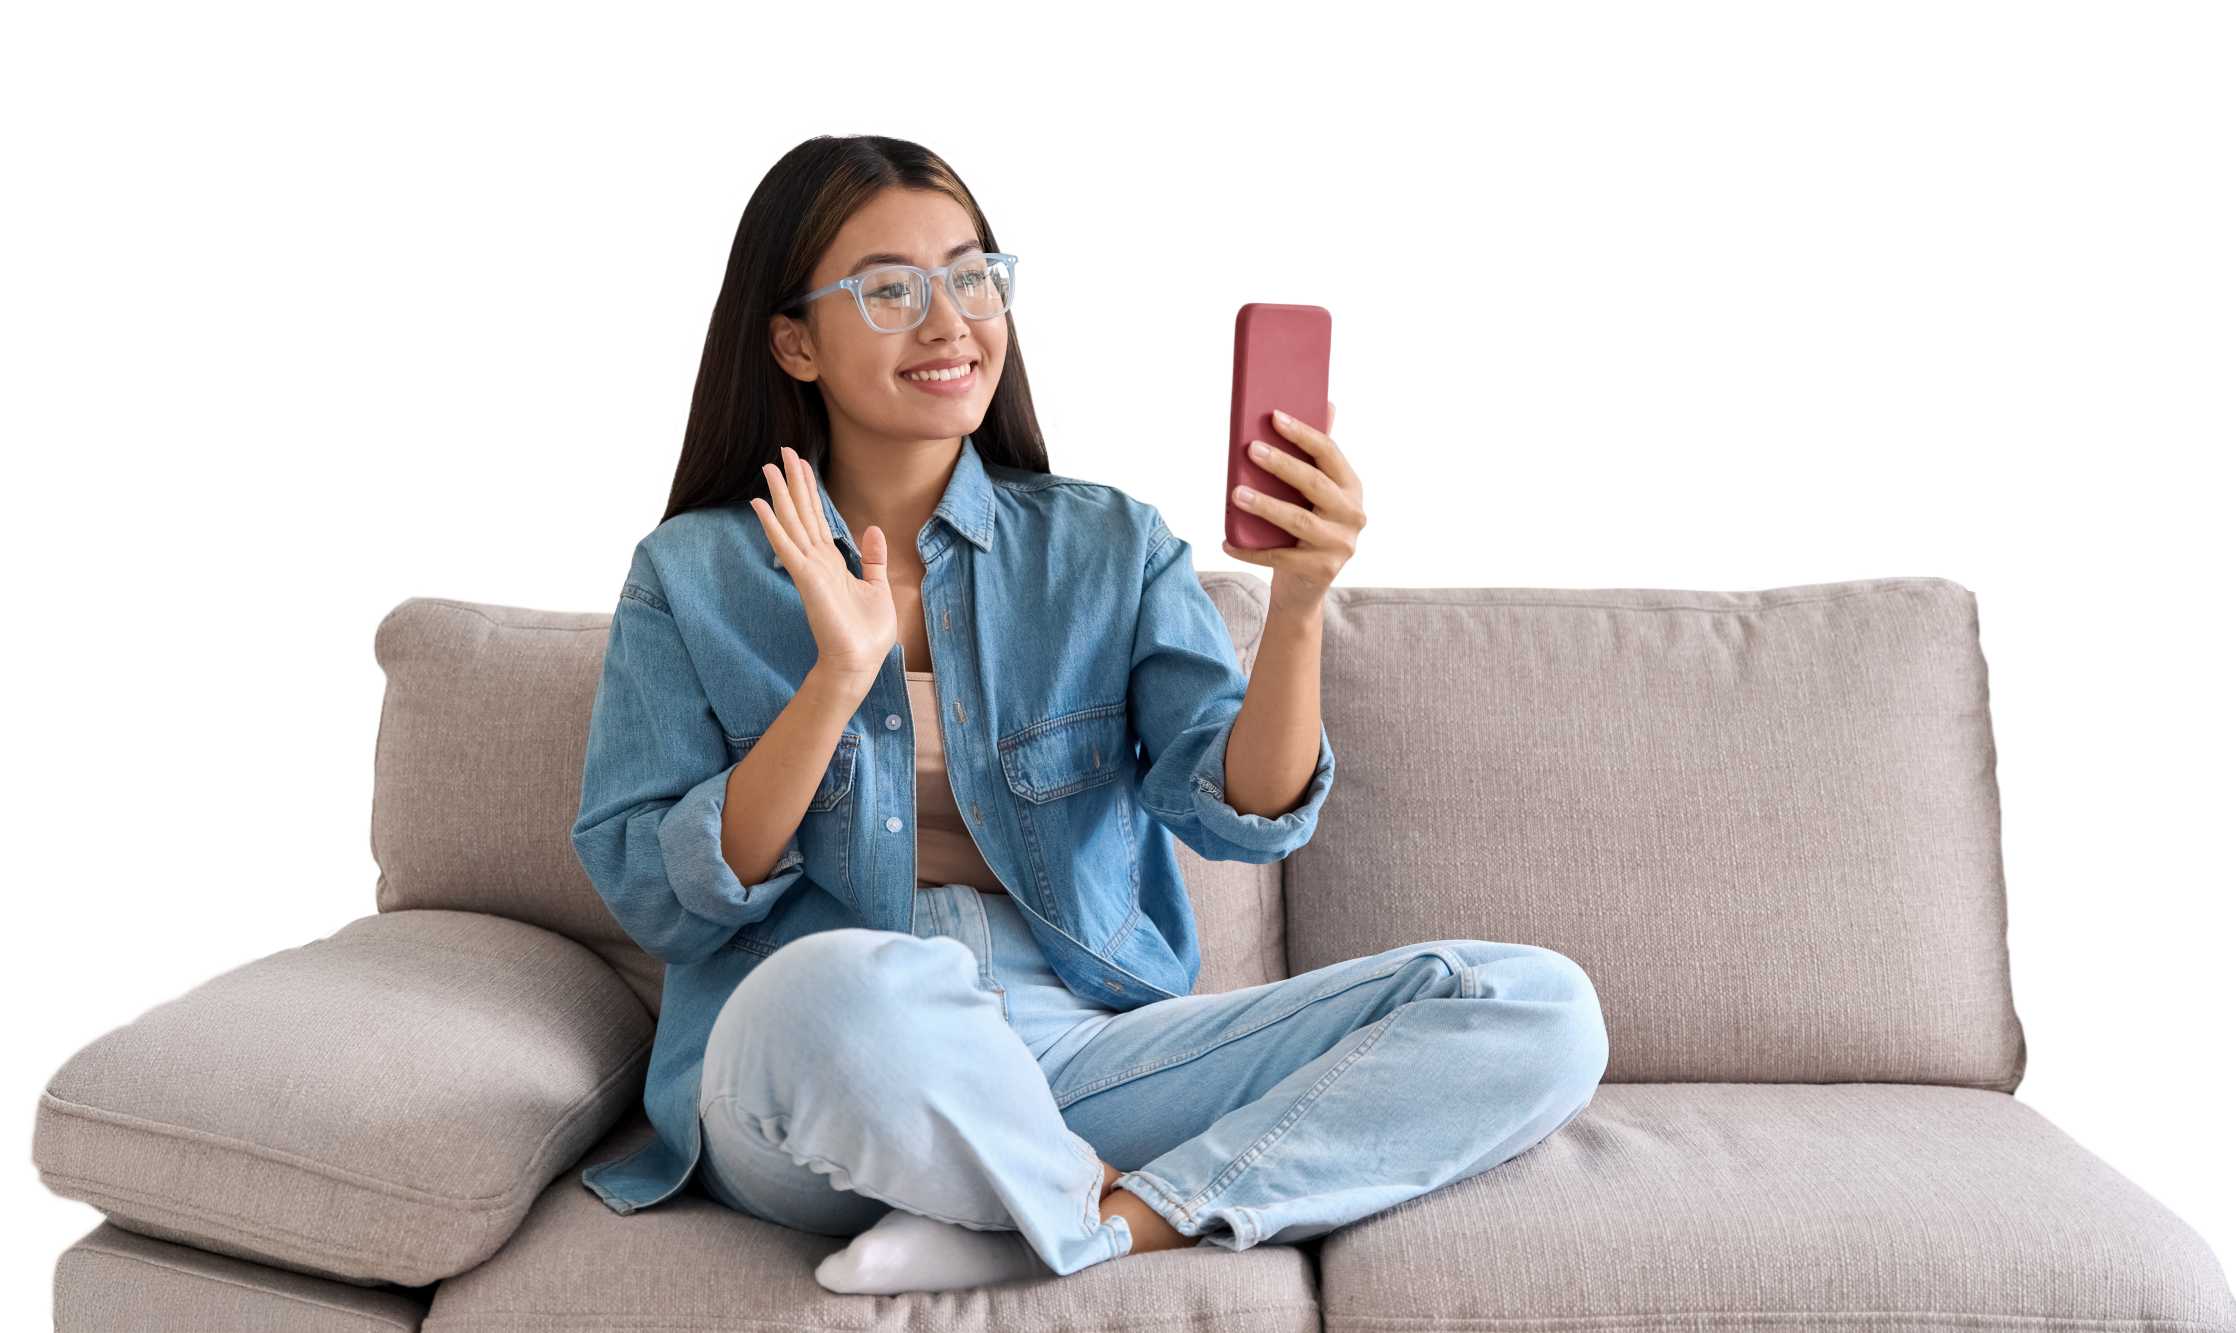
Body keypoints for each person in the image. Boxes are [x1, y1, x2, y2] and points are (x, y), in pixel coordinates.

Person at [569, 124, 1610, 1296]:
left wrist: (1303, 600)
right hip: (823, 1063)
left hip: (1076, 1047)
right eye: (889, 289)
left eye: (971, 275)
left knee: (1534, 1004)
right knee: (845, 989)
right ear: (792, 341)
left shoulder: (1109, 543)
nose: (948, 321)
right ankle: (1046, 1199)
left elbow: (1242, 812)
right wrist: (834, 681)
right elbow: (664, 897)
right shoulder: (688, 573)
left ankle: (1095, 1222)